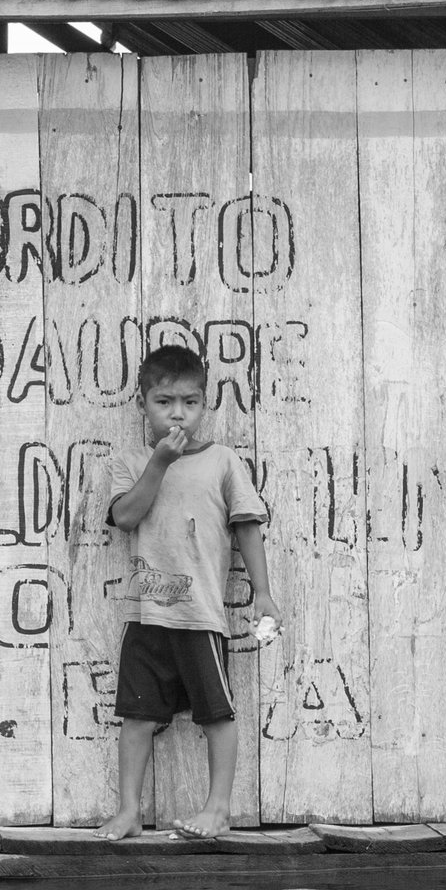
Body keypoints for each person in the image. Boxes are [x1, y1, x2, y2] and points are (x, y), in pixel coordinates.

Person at [94, 343, 277, 841]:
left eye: (190, 403)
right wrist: (159, 463)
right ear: (143, 404)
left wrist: (263, 593)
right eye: (165, 402)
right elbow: (127, 517)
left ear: (204, 404)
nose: (178, 413)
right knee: (136, 716)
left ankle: (218, 809)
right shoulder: (131, 461)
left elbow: (248, 527)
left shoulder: (221, 461)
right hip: (147, 612)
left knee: (216, 713)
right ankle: (129, 811)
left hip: (200, 616)